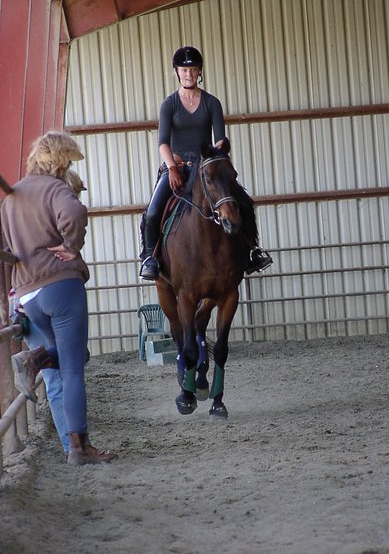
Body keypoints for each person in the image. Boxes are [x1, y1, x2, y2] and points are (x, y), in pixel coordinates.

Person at [1, 131, 114, 465]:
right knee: (74, 367)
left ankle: (35, 358)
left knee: (66, 361)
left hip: (27, 293)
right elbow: (75, 214)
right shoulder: (55, 188)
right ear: (59, 160)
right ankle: (79, 448)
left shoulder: (11, 198)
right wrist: (71, 246)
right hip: (60, 287)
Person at [139, 45, 273, 280]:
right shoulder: (169, 104)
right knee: (152, 212)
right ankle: (150, 258)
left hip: (206, 166)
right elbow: (163, 143)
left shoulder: (212, 103)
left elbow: (220, 139)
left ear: (199, 71)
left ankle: (253, 251)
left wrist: (215, 158)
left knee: (243, 203)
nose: (188, 74)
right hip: (178, 167)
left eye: (193, 69)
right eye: (184, 70)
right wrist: (172, 169)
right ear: (176, 72)